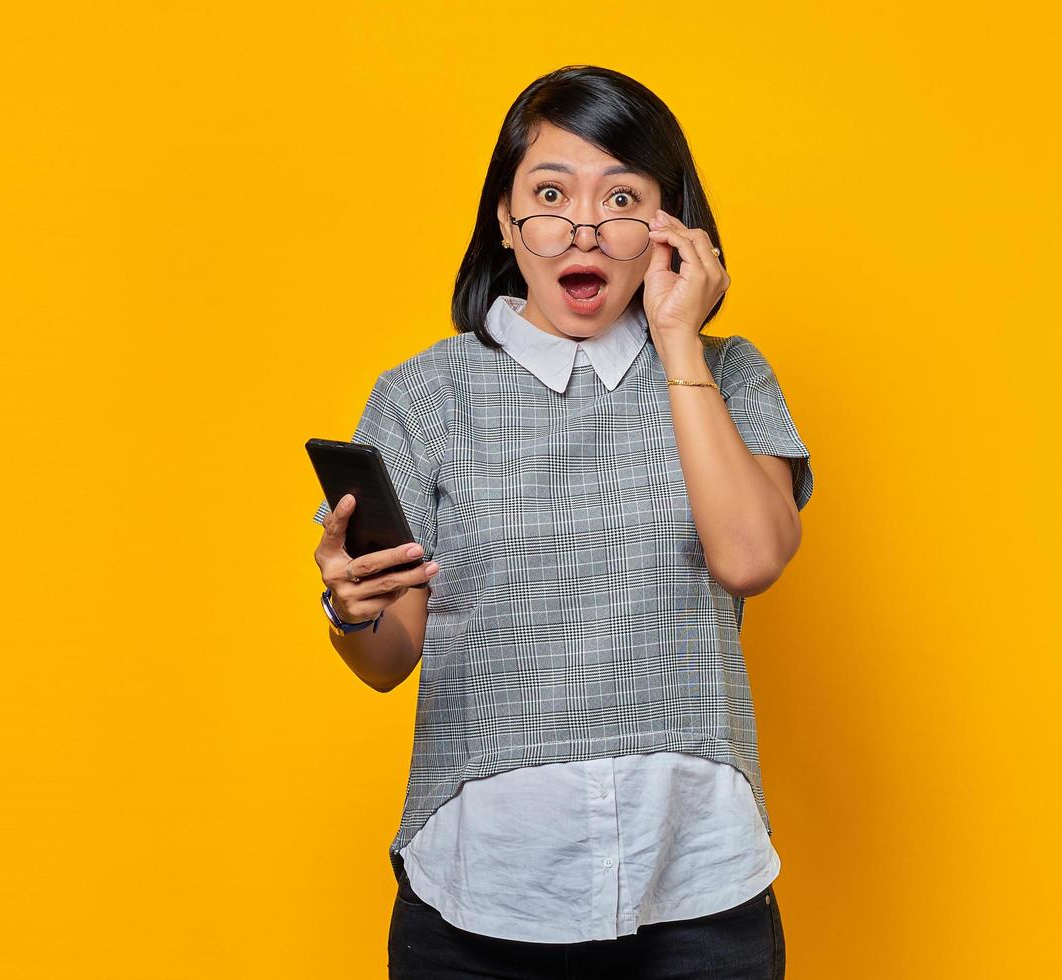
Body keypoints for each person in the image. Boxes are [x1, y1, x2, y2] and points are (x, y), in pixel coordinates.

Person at [311, 65, 811, 979]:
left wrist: (678, 343)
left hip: (698, 887)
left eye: (622, 196)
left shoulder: (729, 374)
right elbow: (389, 660)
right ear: (506, 220)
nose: (583, 227)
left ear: (670, 226)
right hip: (483, 896)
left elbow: (750, 558)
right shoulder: (423, 398)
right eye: (550, 194)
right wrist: (350, 609)